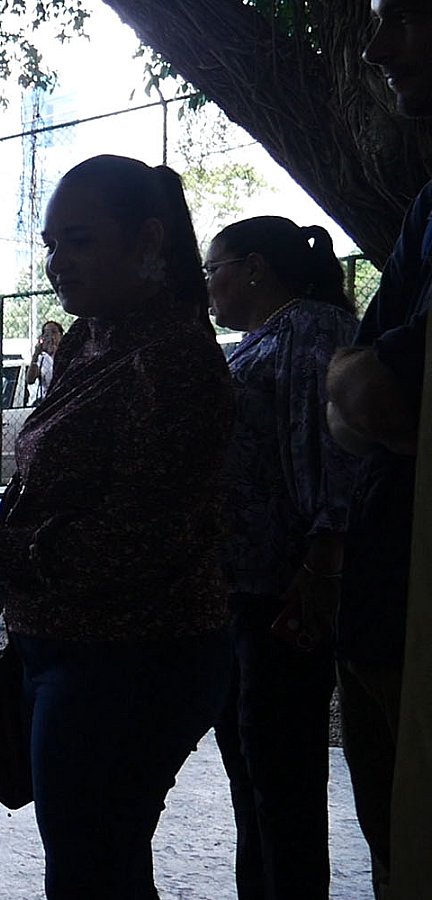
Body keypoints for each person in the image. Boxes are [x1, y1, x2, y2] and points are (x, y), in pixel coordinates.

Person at [0, 154, 235, 898]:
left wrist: (7, 550)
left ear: (148, 240)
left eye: (79, 242)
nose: (58, 263)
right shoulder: (92, 339)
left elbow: (145, 535)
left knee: (91, 867)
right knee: (96, 861)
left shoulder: (172, 361)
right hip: (65, 644)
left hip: (130, 654)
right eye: (51, 244)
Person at [205, 216, 359, 899]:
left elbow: (330, 452)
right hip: (242, 589)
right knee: (252, 773)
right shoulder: (261, 340)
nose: (209, 285)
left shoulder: (311, 330)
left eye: (214, 269)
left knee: (281, 779)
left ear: (254, 268)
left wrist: (321, 560)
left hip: (285, 589)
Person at [325, 4, 432, 893]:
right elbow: (351, 397)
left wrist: (367, 392)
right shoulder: (428, 207)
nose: (374, 47)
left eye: (404, 17)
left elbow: (366, 391)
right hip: (381, 603)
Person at [25, 320, 63, 404]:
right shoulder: (42, 358)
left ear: (61, 336)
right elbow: (30, 379)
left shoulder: (65, 355)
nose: (51, 337)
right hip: (46, 400)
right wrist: (36, 354)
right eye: (46, 334)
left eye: (54, 332)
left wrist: (55, 350)